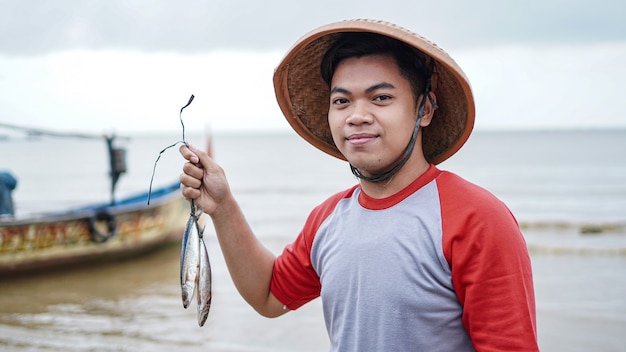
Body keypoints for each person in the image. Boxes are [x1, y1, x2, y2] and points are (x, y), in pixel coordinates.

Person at [180, 19, 539, 351]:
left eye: (381, 97)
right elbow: (269, 296)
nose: (357, 115)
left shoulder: (477, 218)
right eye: (342, 101)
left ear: (424, 109)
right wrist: (223, 208)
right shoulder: (328, 219)